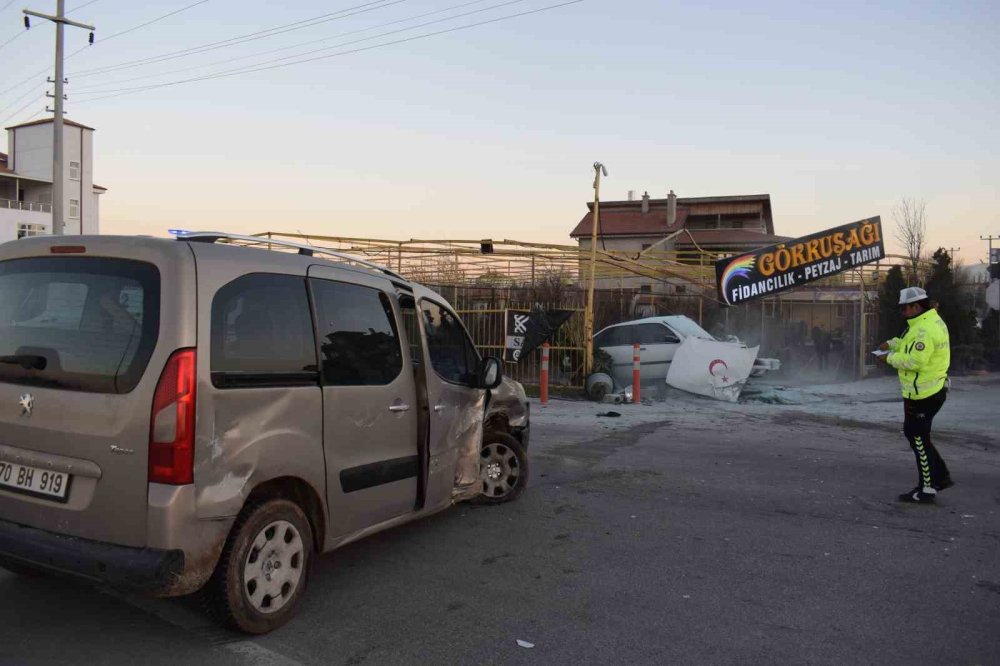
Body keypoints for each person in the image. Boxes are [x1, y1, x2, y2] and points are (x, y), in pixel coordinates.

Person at [878, 286, 952, 504]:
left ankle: (927, 489)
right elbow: (908, 346)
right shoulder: (924, 323)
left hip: (924, 395)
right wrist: (892, 343)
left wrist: (888, 358)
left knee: (918, 438)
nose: (903, 313)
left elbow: (915, 360)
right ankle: (940, 476)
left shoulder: (924, 330)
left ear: (916, 307)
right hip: (926, 391)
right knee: (918, 437)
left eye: (905, 308)